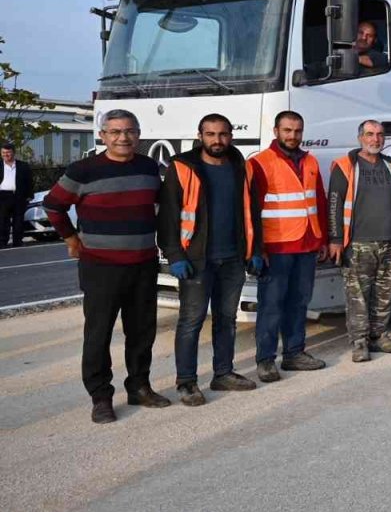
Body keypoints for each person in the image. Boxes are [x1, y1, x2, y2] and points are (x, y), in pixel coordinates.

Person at [43, 109, 168, 423]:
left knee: (142, 332)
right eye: (114, 132)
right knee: (98, 334)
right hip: (101, 268)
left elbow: (162, 206)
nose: (122, 137)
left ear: (138, 134)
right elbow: (53, 204)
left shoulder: (149, 167)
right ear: (102, 136)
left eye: (129, 131)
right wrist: (71, 239)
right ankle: (100, 397)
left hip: (142, 265)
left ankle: (139, 386)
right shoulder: (84, 170)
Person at [157, 114, 264, 406]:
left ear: (231, 135)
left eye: (223, 134)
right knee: (191, 321)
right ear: (200, 135)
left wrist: (255, 250)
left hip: (232, 259)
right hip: (196, 261)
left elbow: (252, 213)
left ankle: (223, 373)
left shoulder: (240, 167)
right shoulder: (182, 167)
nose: (217, 140)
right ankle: (186, 382)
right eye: (210, 134)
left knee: (226, 320)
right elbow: (168, 217)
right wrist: (175, 256)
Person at [248, 111, 329, 382]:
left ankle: (294, 353)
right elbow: (251, 210)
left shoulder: (310, 161)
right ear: (276, 131)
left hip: (306, 244)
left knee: (299, 302)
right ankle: (266, 360)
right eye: (287, 130)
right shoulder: (260, 163)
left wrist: (322, 239)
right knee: (271, 305)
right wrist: (257, 249)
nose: (292, 136)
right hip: (276, 247)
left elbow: (319, 200)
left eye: (297, 131)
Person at [329, 121, 391, 362]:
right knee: (358, 297)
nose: (375, 139)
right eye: (369, 134)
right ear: (359, 138)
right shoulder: (345, 166)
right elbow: (334, 204)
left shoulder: (390, 165)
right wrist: (335, 239)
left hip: (389, 242)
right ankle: (359, 342)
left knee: (384, 294)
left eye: (379, 135)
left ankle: (379, 336)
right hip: (357, 244)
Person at [0, 142, 34, 248]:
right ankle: (2, 242)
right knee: (2, 220)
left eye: (8, 152)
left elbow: (29, 181)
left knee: (18, 220)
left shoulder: (23, 166)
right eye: (3, 153)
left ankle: (17, 241)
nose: (6, 155)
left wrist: (29, 195)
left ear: (13, 153)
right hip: (2, 196)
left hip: (19, 196)